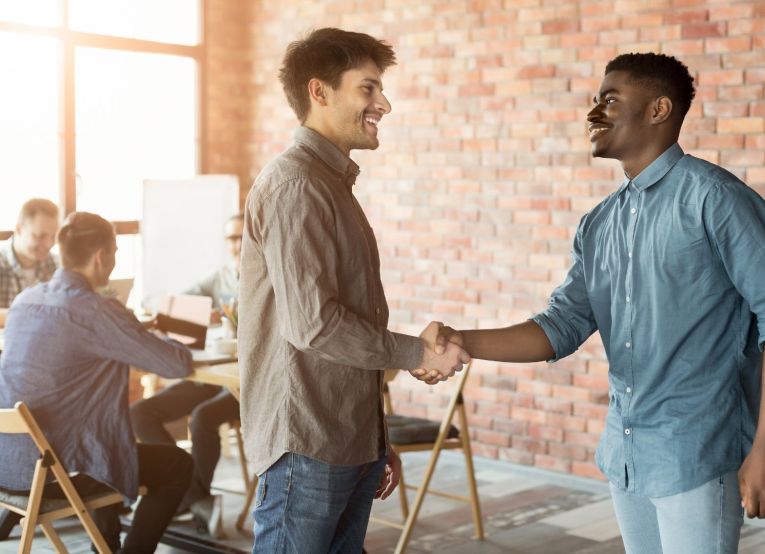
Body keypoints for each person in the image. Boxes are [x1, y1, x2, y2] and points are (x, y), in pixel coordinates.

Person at [428, 53, 765, 554]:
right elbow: (560, 326)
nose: (593, 112)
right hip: (625, 451)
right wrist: (460, 341)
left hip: (697, 451)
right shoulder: (599, 223)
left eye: (610, 99)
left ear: (658, 109)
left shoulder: (717, 199)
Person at [238, 28, 469, 553]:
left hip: (344, 441)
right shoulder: (297, 185)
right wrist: (416, 351)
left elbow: (341, 325)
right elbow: (315, 326)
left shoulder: (330, 184)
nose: (383, 103)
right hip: (308, 445)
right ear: (320, 92)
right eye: (368, 89)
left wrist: (374, 439)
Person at [0, 212, 194, 552]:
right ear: (101, 256)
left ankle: (104, 544)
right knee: (177, 465)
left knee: (99, 438)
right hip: (54, 476)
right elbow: (175, 364)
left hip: (7, 464)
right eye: (116, 252)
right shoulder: (97, 311)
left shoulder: (24, 301)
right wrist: (159, 336)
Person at [129, 213, 244, 538]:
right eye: (231, 238)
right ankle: (195, 496)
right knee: (140, 412)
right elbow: (176, 303)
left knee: (202, 418)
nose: (236, 245)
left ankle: (184, 495)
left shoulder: (265, 275)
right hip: (212, 373)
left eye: (242, 237)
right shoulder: (220, 276)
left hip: (246, 382)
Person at [0, 198, 60, 326]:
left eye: (53, 237)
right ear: (19, 229)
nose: (49, 244)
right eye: (41, 236)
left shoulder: (57, 266)